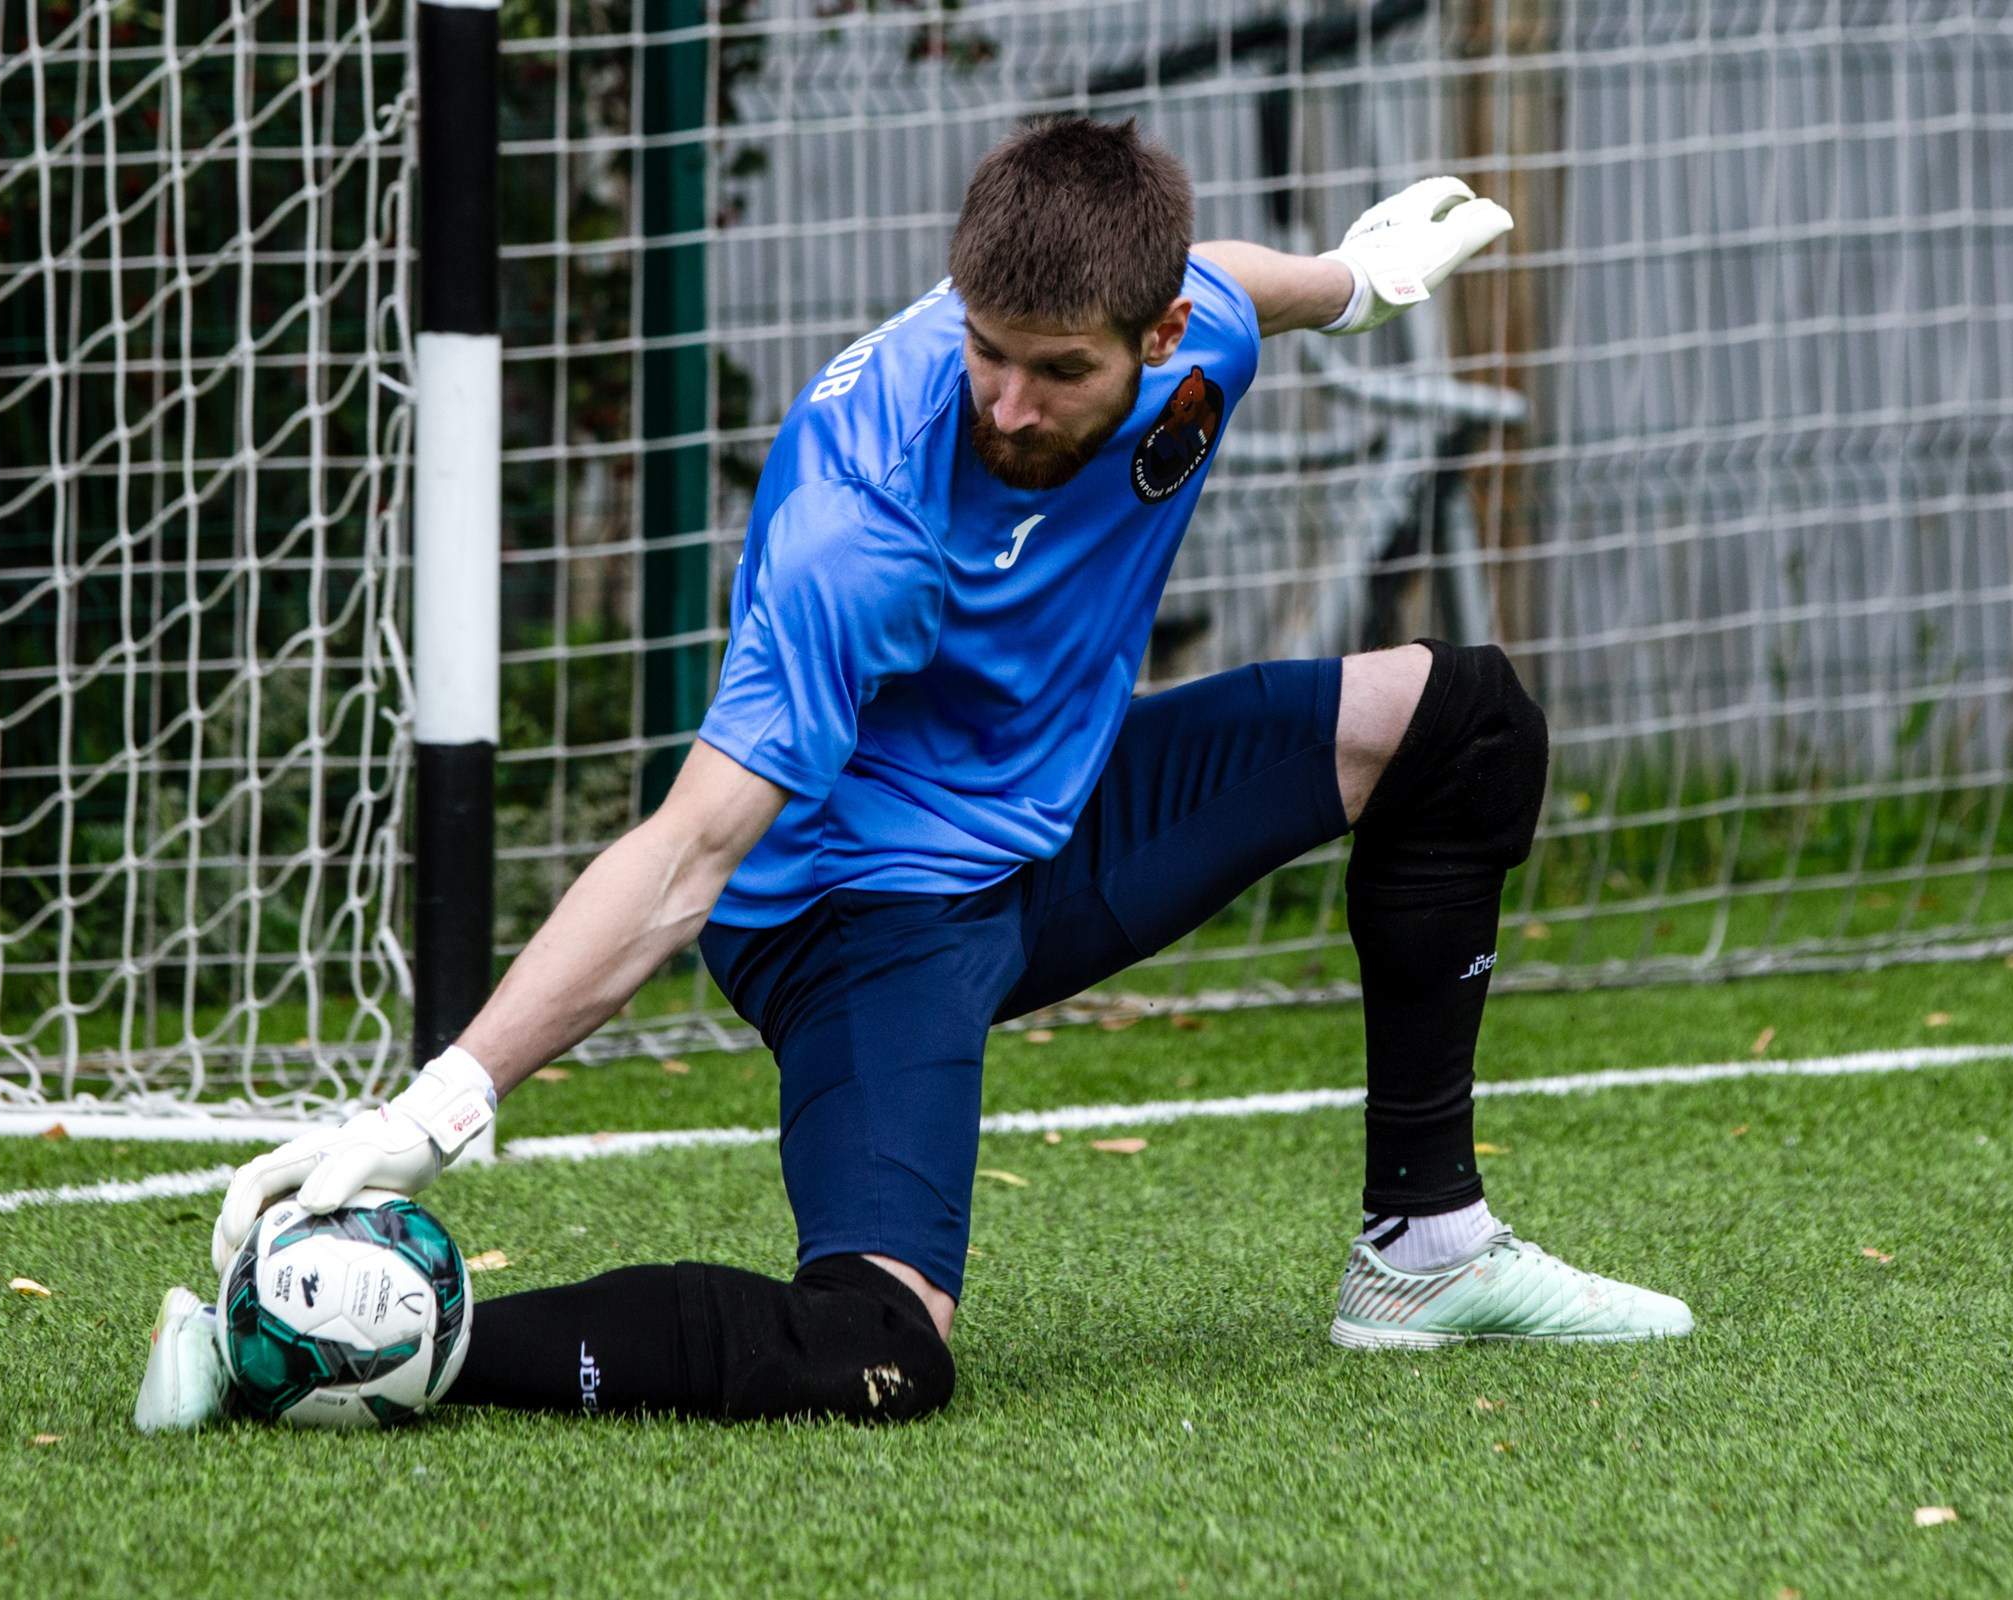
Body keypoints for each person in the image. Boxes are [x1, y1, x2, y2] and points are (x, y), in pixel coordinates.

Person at [137, 118, 1690, 1434]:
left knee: (1465, 717)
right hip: (852, 909)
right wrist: (444, 1101)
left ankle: (1422, 1253)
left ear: (1152, 342)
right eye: (985, 353)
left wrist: (1357, 286)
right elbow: (688, 855)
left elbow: (1241, 283)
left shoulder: (1192, 324)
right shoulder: (855, 526)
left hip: (1056, 815)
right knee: (880, 1348)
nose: (1008, 406)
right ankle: (387, 1340)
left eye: (1056, 372)